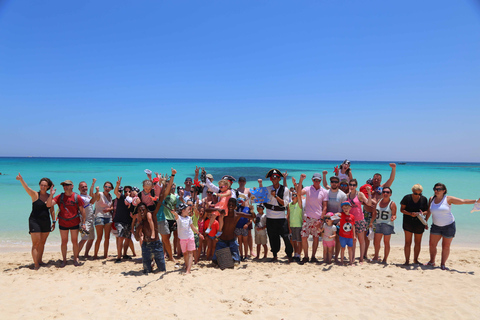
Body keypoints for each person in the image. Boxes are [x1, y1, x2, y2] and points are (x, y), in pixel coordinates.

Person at [425, 183, 479, 270]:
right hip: (436, 226)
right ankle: (432, 261)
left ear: (444, 191)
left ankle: (443, 264)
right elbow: (429, 211)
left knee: (445, 246)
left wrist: (476, 201)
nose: (436, 191)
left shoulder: (448, 199)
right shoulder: (431, 199)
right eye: (435, 189)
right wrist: (425, 221)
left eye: (438, 189)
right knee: (432, 245)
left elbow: (463, 201)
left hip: (449, 226)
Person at [16, 173, 55, 270]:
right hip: (34, 221)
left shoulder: (50, 196)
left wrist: (54, 221)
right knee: (36, 243)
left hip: (46, 221)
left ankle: (40, 260)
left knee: (42, 243)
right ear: (39, 185)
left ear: (48, 186)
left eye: (45, 185)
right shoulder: (35, 194)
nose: (43, 186)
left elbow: (52, 209)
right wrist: (21, 179)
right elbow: (27, 188)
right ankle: (36, 264)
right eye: (41, 185)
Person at [47, 180, 86, 267]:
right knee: (64, 242)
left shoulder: (77, 197)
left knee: (74, 241)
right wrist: (51, 195)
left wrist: (83, 223)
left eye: (67, 185)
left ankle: (75, 259)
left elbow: (82, 210)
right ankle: (64, 260)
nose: (65, 186)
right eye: (64, 185)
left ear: (72, 186)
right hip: (63, 222)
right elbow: (49, 205)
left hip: (74, 222)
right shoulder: (60, 197)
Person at [363, 163, 397, 259]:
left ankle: (376, 255)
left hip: (378, 215)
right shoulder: (368, 188)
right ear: (372, 179)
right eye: (375, 179)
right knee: (366, 235)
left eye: (378, 179)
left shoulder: (383, 188)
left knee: (377, 236)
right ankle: (364, 253)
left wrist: (393, 169)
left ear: (380, 180)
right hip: (366, 213)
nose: (376, 180)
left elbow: (391, 179)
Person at [209, 198, 256, 266]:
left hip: (232, 240)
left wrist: (252, 211)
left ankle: (233, 258)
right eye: (229, 204)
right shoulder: (224, 213)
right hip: (222, 240)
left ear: (235, 206)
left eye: (232, 205)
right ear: (227, 205)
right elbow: (206, 210)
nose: (231, 206)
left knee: (236, 261)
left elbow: (252, 217)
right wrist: (217, 209)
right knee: (214, 261)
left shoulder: (237, 214)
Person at [260, 169, 293, 262]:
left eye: (276, 177)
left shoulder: (285, 189)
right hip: (270, 217)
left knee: (286, 237)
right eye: (272, 177)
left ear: (279, 179)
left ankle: (289, 254)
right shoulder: (267, 189)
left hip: (281, 218)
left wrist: (275, 196)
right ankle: (274, 255)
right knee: (272, 238)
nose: (274, 179)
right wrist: (256, 193)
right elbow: (262, 201)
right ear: (270, 179)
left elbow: (285, 204)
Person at [296, 173, 328, 263]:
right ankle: (306, 256)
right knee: (304, 237)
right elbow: (298, 193)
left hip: (317, 219)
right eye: (315, 180)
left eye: (318, 180)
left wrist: (321, 220)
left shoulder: (324, 192)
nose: (316, 182)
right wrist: (301, 180)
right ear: (312, 180)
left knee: (316, 238)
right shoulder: (307, 188)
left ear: (320, 181)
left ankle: (313, 256)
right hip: (307, 217)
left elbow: (325, 207)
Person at [400, 184, 429, 265]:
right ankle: (407, 261)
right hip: (408, 221)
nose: (418, 195)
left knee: (418, 242)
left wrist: (421, 213)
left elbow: (427, 211)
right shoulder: (407, 198)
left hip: (419, 222)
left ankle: (415, 260)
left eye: (420, 194)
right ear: (412, 192)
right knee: (408, 242)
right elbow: (402, 210)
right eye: (416, 193)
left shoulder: (424, 199)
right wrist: (410, 213)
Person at [171, 202, 203, 274]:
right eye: (188, 210)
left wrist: (199, 233)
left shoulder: (189, 218)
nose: (189, 211)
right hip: (182, 239)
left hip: (190, 237)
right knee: (185, 253)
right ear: (183, 211)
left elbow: (193, 227)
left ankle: (188, 270)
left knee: (190, 253)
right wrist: (173, 212)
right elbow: (175, 214)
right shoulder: (179, 218)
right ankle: (187, 266)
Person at [134, 203, 165, 274]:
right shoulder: (141, 223)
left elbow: (159, 204)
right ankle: (151, 263)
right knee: (147, 271)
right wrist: (138, 229)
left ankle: (153, 262)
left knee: (162, 269)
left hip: (156, 244)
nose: (142, 212)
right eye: (140, 210)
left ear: (147, 210)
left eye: (143, 210)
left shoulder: (153, 217)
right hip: (146, 246)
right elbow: (137, 239)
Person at [347, 178, 372, 264]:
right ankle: (353, 258)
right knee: (353, 240)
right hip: (350, 221)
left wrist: (369, 193)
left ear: (356, 186)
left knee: (361, 240)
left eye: (354, 185)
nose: (352, 186)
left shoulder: (360, 194)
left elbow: (368, 203)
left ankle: (361, 258)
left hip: (360, 220)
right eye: (351, 185)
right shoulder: (347, 196)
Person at [371, 186, 397, 264]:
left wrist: (393, 217)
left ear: (390, 194)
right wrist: (371, 222)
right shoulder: (378, 201)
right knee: (376, 241)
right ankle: (376, 256)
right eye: (384, 192)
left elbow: (394, 214)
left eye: (387, 192)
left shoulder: (392, 203)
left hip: (388, 224)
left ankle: (385, 259)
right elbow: (375, 213)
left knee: (386, 242)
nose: (385, 193)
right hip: (378, 223)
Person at [91, 179, 114, 259]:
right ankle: (95, 255)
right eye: (106, 186)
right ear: (103, 187)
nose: (107, 188)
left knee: (107, 237)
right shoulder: (100, 194)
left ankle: (105, 255)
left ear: (111, 188)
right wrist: (95, 189)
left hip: (108, 217)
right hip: (99, 216)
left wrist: (109, 209)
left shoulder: (110, 196)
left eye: (109, 187)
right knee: (99, 237)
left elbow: (112, 207)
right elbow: (93, 197)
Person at [77, 181, 95, 257]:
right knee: (84, 238)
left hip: (90, 221)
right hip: (83, 222)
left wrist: (93, 184)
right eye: (82, 187)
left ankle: (86, 254)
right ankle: (76, 255)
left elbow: (92, 200)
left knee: (91, 238)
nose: (84, 188)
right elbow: (92, 201)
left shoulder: (87, 196)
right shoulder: (80, 198)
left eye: (85, 186)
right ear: (79, 189)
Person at [287, 190, 304, 262]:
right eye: (292, 195)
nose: (293, 196)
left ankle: (299, 255)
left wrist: (296, 186)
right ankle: (295, 254)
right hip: (292, 225)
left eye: (295, 195)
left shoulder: (299, 204)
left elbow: (300, 196)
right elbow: (288, 216)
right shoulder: (289, 204)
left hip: (298, 225)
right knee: (293, 241)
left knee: (299, 241)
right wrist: (288, 227)